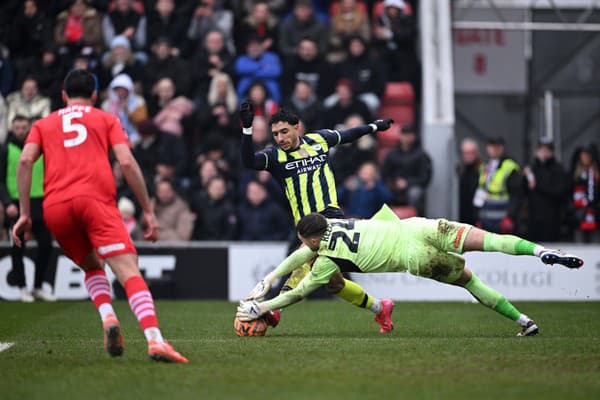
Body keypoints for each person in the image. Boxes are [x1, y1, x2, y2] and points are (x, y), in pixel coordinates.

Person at [11, 69, 187, 363]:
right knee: (128, 267)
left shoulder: (43, 123)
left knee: (92, 264)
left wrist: (25, 213)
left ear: (64, 96)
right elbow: (127, 163)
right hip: (95, 201)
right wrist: (147, 210)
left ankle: (108, 317)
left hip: (55, 207)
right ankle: (155, 340)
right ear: (94, 96)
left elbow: (26, 160)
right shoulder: (106, 119)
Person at [237, 205, 584, 336]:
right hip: (418, 227)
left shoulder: (327, 259)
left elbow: (298, 290)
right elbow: (299, 256)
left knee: (470, 281)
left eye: (305, 242)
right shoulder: (338, 221)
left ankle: (524, 321)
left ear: (312, 238)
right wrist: (268, 279)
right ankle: (541, 251)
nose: (305, 248)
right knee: (490, 239)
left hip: (416, 258)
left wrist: (263, 305)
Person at [240, 103, 395, 333]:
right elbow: (248, 162)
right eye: (275, 134)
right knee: (335, 284)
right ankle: (380, 308)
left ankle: (276, 309)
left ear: (297, 127)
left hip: (330, 218)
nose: (280, 138)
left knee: (308, 255)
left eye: (284, 132)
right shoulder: (274, 156)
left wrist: (374, 126)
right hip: (303, 224)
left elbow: (348, 135)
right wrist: (246, 129)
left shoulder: (319, 140)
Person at [0, 115, 55, 302]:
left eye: (24, 127)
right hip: (16, 204)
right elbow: (0, 180)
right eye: (17, 127)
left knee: (46, 244)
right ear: (11, 128)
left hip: (40, 202)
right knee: (18, 247)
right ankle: (22, 287)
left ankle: (38, 286)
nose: (21, 131)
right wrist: (7, 203)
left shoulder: (42, 148)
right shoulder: (5, 149)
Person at [475, 136, 523, 234]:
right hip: (486, 219)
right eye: (491, 146)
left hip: (503, 219)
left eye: (497, 147)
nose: (493, 149)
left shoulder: (510, 166)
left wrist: (510, 216)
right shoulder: (485, 166)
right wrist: (478, 217)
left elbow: (516, 195)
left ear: (502, 148)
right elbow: (481, 192)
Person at [523, 137, 568, 242]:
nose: (543, 153)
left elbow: (559, 191)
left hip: (551, 218)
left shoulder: (558, 169)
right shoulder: (532, 168)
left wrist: (537, 185)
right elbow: (525, 191)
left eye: (547, 150)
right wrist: (525, 179)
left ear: (552, 152)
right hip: (533, 216)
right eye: (541, 150)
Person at [381, 124, 432, 216]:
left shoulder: (421, 155)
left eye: (409, 134)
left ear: (414, 136)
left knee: (415, 193)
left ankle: (415, 218)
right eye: (404, 134)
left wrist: (407, 183)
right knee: (380, 190)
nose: (406, 137)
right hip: (393, 186)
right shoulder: (392, 154)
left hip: (412, 187)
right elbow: (384, 174)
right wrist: (393, 182)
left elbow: (425, 178)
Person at [457, 138, 482, 225]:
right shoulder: (461, 169)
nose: (468, 156)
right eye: (466, 153)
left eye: (471, 153)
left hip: (477, 215)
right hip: (462, 214)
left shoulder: (482, 169)